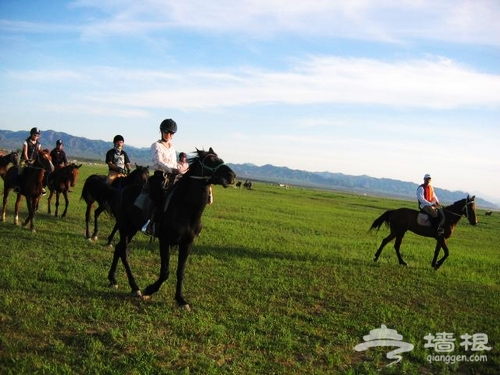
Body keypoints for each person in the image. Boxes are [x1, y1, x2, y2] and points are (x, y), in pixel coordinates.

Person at [142, 119, 179, 235]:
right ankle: (150, 223)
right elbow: (158, 162)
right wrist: (171, 169)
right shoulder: (156, 145)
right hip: (159, 177)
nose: (168, 135)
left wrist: (181, 170)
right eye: (166, 132)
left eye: (171, 133)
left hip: (172, 177)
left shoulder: (172, 148)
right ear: (161, 131)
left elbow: (174, 163)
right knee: (159, 198)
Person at [15, 127, 46, 195]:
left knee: (41, 172)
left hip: (34, 161)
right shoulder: (26, 142)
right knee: (20, 170)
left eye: (38, 135)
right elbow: (25, 153)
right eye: (35, 135)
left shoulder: (39, 144)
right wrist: (27, 160)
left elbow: (39, 153)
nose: (36, 136)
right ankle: (17, 186)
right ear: (31, 134)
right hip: (24, 160)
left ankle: (42, 187)